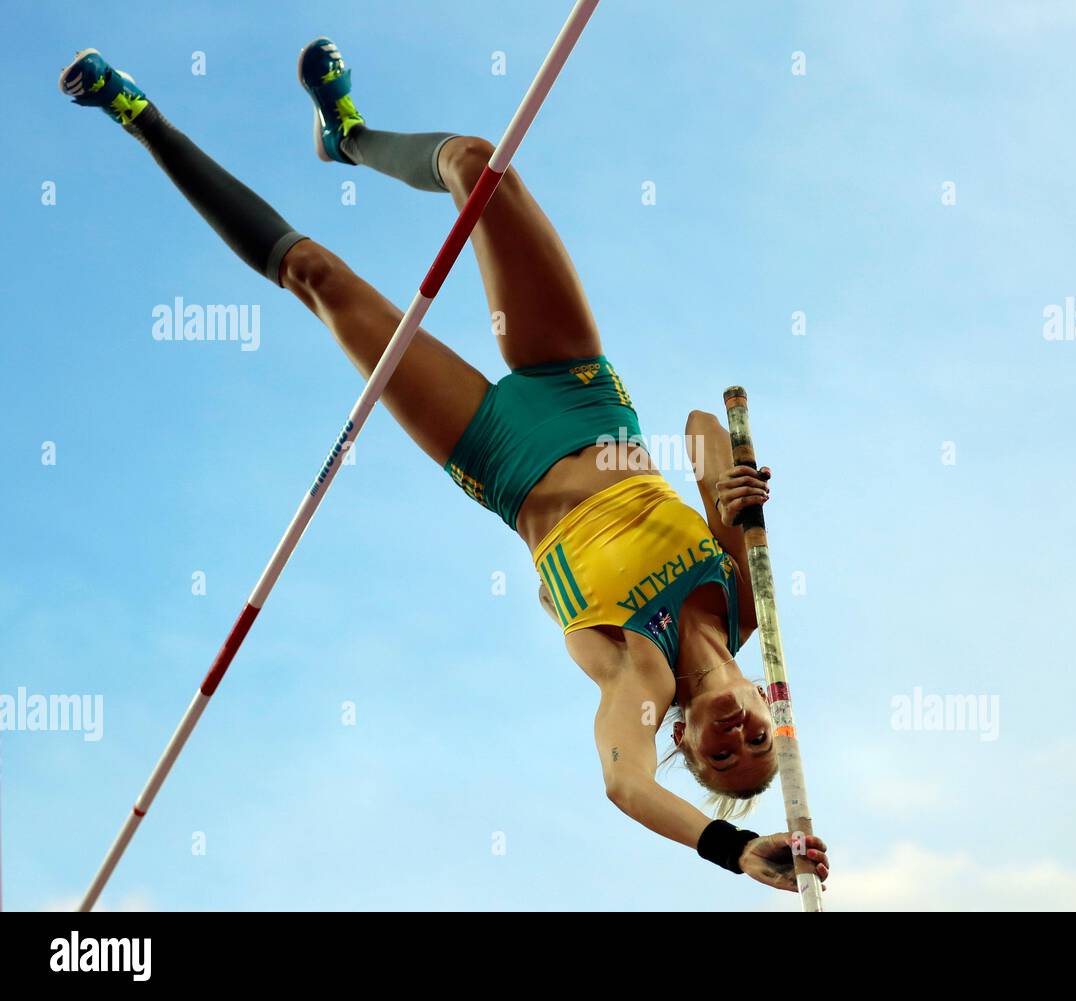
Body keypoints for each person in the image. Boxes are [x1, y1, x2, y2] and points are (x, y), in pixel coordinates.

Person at [59, 39, 829, 894]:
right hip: (581, 392)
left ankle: (142, 120)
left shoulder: (637, 673)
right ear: (768, 703)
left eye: (719, 755)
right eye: (756, 738)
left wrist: (731, 846)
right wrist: (729, 481)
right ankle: (346, 137)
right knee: (474, 163)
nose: (735, 734)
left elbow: (623, 782)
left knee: (315, 275)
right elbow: (695, 427)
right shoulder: (745, 588)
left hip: (495, 455)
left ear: (685, 739)